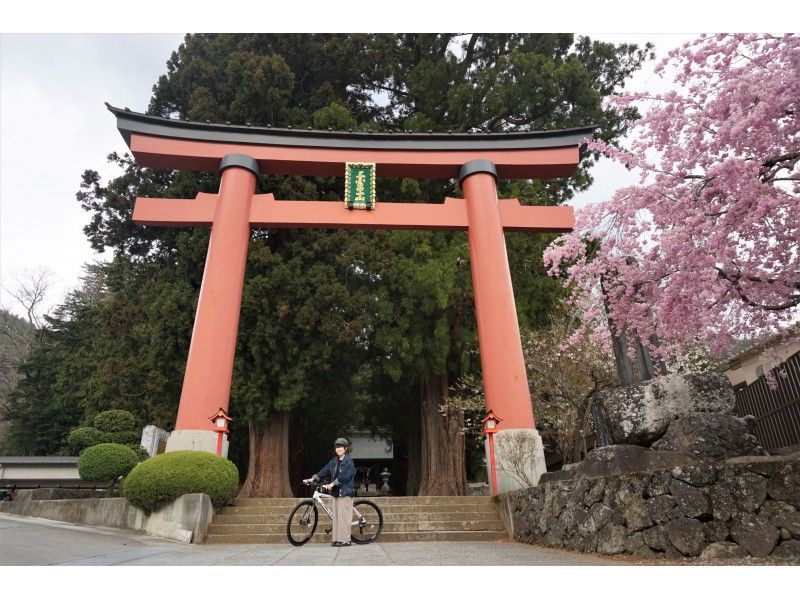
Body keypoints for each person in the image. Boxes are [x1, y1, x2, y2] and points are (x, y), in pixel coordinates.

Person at [303, 437, 356, 547]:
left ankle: (346, 540)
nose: (338, 449)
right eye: (337, 447)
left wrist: (332, 484)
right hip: (336, 493)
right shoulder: (334, 461)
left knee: (343, 518)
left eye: (341, 447)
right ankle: (337, 539)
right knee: (336, 517)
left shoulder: (348, 461)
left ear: (345, 448)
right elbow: (324, 471)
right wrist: (313, 479)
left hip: (345, 492)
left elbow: (344, 477)